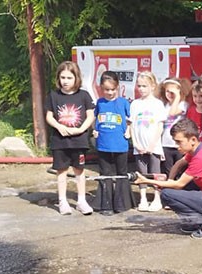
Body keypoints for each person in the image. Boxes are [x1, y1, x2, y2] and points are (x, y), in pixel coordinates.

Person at [134, 118, 202, 239]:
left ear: (192, 139)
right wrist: (170, 180)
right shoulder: (200, 148)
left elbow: (179, 185)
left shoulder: (200, 157)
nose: (177, 146)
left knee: (166, 194)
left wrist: (147, 181)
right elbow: (178, 164)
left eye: (179, 142)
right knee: (176, 184)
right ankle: (195, 220)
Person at [44, 60, 95, 215]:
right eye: (63, 77)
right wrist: (60, 127)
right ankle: (62, 201)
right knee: (61, 171)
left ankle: (81, 200)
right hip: (60, 141)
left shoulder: (84, 95)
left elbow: (91, 116)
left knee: (79, 170)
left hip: (79, 140)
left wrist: (81, 129)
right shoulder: (53, 96)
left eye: (69, 78)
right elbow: (49, 116)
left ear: (76, 78)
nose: (65, 81)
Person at [92, 71, 134, 215]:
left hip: (120, 144)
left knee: (121, 173)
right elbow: (95, 118)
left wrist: (129, 130)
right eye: (106, 90)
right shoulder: (100, 102)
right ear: (101, 88)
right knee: (105, 173)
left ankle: (121, 203)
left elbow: (131, 119)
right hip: (103, 144)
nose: (109, 92)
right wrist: (94, 131)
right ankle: (106, 204)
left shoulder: (123, 102)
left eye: (112, 89)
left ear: (118, 87)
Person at [129, 71, 167, 211]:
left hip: (153, 145)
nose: (141, 89)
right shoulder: (134, 104)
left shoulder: (157, 104)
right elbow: (132, 125)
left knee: (155, 172)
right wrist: (136, 144)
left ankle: (157, 198)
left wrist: (152, 144)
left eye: (144, 86)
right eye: (139, 86)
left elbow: (159, 126)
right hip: (139, 146)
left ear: (152, 86)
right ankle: (143, 198)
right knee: (141, 172)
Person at [160, 78, 190, 179]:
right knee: (168, 170)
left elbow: (172, 113)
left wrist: (177, 96)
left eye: (172, 91)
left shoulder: (183, 104)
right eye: (167, 91)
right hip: (166, 143)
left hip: (178, 144)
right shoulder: (165, 105)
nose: (169, 94)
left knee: (179, 170)